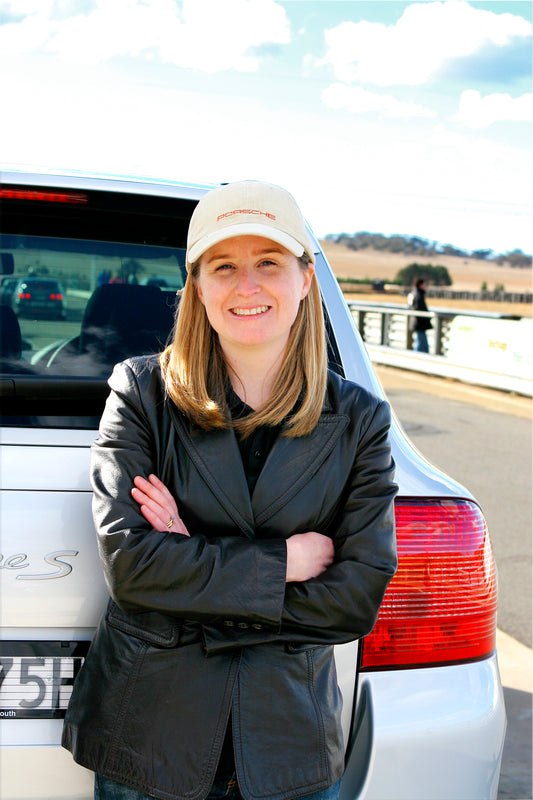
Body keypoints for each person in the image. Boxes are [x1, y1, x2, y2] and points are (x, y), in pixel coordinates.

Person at [62, 180, 398, 800]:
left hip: (287, 745)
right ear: (198, 287)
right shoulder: (141, 393)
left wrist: (192, 563)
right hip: (150, 743)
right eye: (224, 266)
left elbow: (355, 600)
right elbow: (133, 568)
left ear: (305, 279)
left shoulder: (360, 421)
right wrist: (285, 563)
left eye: (268, 262)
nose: (248, 286)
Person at [408, 277, 432, 353]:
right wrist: (426, 318)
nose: (425, 286)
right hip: (419, 323)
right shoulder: (418, 295)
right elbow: (418, 308)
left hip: (417, 322)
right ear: (420, 285)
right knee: (421, 343)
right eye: (424, 284)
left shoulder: (413, 293)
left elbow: (410, 307)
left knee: (420, 342)